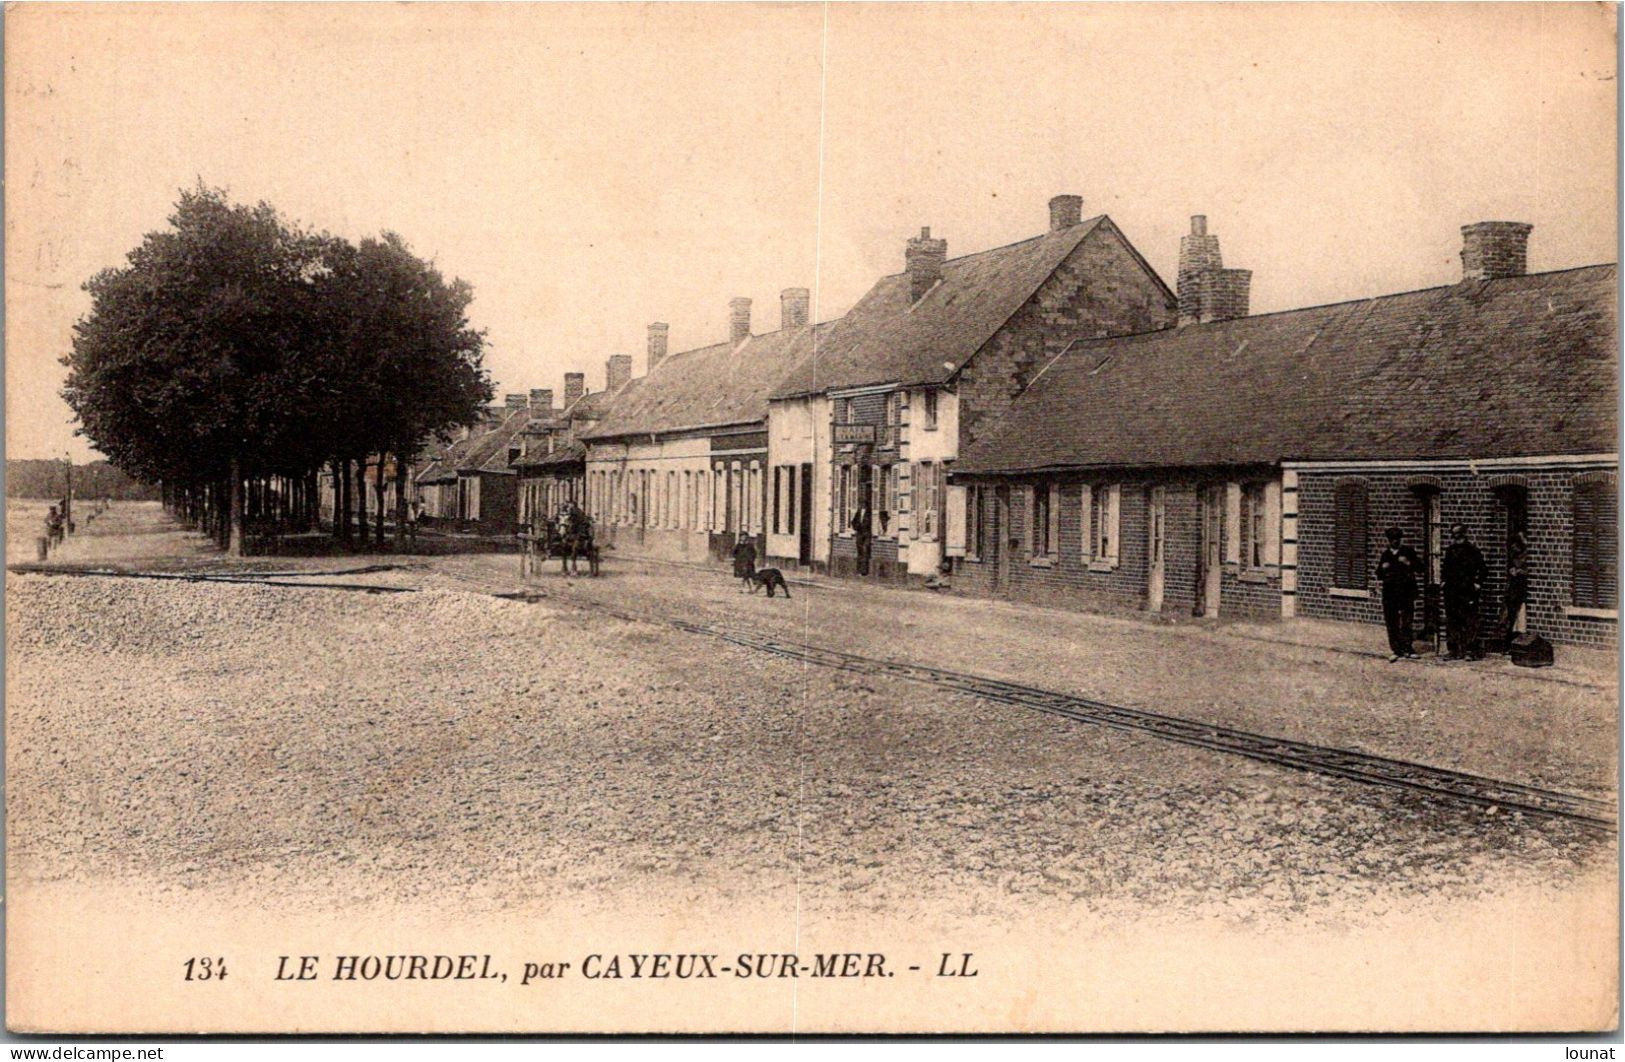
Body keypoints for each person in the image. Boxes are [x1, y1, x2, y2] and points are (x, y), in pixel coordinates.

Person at [1442, 523, 1488, 661]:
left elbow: (1483, 570)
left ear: (1464, 534)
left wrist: (1477, 583)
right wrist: (1444, 581)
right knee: (1452, 619)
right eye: (1454, 534)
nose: (1456, 536)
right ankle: (1454, 650)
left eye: (1459, 533)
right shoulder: (1450, 550)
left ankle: (1470, 650)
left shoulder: (1473, 550)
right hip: (1452, 590)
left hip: (1467, 590)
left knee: (1469, 620)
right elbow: (1445, 568)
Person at [1376, 526, 1422, 661]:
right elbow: (1378, 574)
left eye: (1397, 539)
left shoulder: (1408, 552)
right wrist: (1383, 569)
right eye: (1392, 539)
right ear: (1388, 540)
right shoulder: (1386, 555)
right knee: (1392, 622)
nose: (1395, 541)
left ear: (1400, 539)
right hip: (1390, 593)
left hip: (1406, 592)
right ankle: (1396, 649)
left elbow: (1420, 568)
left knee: (1407, 621)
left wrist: (1408, 563)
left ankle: (1408, 648)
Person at [1504, 529, 1530, 643]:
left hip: (1522, 587)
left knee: (1520, 613)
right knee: (1513, 613)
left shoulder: (1527, 553)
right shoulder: (1516, 553)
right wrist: (1514, 570)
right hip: (1516, 586)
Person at [851, 497, 873, 577]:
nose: (861, 505)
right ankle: (859, 570)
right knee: (859, 551)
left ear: (866, 505)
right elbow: (853, 521)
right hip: (859, 534)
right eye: (860, 504)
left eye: (863, 504)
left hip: (866, 534)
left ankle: (864, 571)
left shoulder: (869, 513)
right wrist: (856, 526)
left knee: (865, 551)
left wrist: (862, 526)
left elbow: (869, 523)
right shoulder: (859, 512)